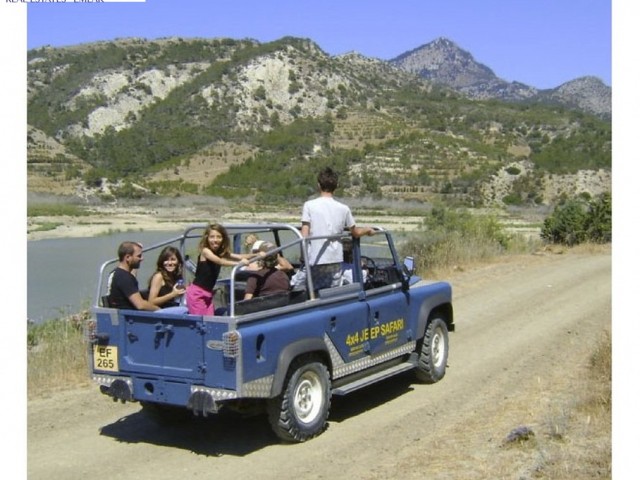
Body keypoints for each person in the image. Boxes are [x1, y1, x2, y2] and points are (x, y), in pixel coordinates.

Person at [301, 167, 374, 290]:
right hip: (334, 258)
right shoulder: (343, 208)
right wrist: (367, 230)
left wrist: (303, 256)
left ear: (319, 185)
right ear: (337, 186)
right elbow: (355, 233)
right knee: (332, 293)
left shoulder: (309, 205)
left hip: (315, 258)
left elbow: (304, 235)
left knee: (313, 293)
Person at [186, 223, 250, 315]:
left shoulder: (220, 252)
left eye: (218, 237)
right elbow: (220, 261)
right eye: (212, 237)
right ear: (207, 238)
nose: (215, 240)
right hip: (197, 294)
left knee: (211, 321)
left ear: (223, 238)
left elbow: (239, 256)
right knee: (204, 323)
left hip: (208, 293)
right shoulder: (205, 251)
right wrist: (239, 264)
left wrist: (257, 255)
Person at [107, 241, 159, 311]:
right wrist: (160, 310)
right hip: (129, 318)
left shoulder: (116, 273)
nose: (142, 259)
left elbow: (132, 275)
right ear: (128, 257)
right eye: (139, 256)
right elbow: (140, 305)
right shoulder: (124, 278)